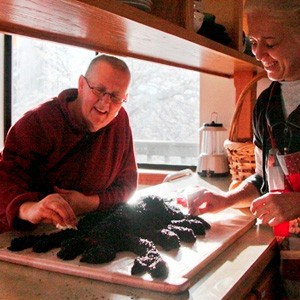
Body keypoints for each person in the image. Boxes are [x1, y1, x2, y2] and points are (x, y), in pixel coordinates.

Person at [189, 0, 300, 231]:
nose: (257, 53)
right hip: (286, 252)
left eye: (270, 42)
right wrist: (226, 200)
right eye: (253, 42)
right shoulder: (265, 105)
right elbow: (262, 181)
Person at [0, 54, 138, 233]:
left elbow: (127, 185)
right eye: (98, 90)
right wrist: (30, 208)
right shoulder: (38, 123)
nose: (105, 103)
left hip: (87, 230)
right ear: (81, 85)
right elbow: (3, 182)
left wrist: (89, 203)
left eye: (115, 97)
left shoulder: (120, 121)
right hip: (27, 234)